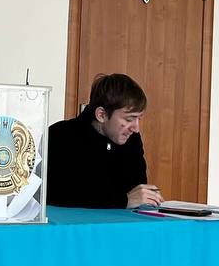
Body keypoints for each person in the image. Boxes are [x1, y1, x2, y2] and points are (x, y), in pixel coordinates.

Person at [45, 73, 163, 210]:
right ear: (101, 115)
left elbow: (136, 190)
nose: (136, 128)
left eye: (139, 119)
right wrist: (122, 200)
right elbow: (54, 194)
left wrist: (147, 196)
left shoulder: (132, 139)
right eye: (129, 119)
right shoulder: (60, 136)